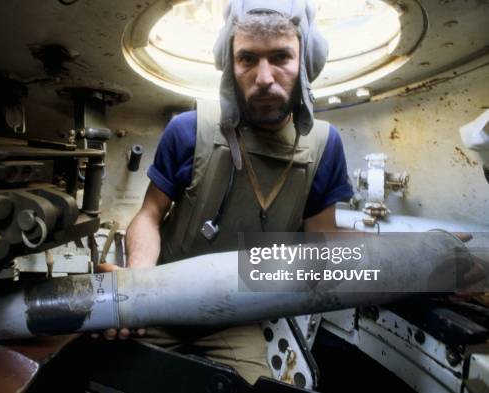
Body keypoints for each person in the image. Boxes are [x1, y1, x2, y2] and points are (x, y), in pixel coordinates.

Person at [98, 0, 354, 384]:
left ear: (306, 62)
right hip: (161, 303)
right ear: (229, 66)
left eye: (281, 56)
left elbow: (325, 246)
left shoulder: (325, 146)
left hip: (235, 319)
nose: (263, 77)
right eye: (247, 58)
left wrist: (422, 269)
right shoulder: (188, 130)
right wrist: (137, 285)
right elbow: (149, 216)